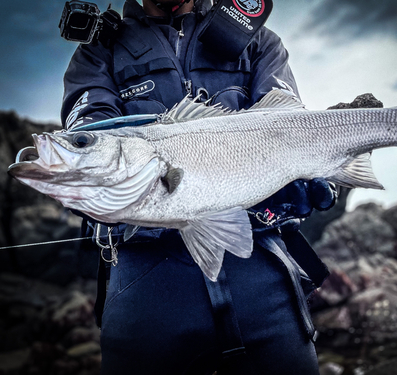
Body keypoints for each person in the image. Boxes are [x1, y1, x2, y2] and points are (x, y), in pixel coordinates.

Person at [61, 1, 337, 374]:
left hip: (259, 263)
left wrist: (301, 178)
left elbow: (288, 123)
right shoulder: (97, 50)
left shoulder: (259, 40)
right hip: (147, 281)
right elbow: (87, 145)